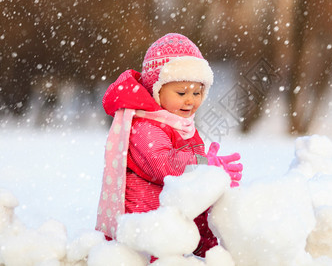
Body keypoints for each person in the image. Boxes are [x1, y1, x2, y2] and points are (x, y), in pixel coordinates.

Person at [95, 33, 243, 258]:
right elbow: (164, 165)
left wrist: (211, 183)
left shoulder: (181, 126)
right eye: (182, 92)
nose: (190, 100)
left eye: (197, 92)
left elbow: (191, 190)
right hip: (147, 227)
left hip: (169, 225)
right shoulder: (144, 126)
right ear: (156, 89)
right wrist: (205, 165)